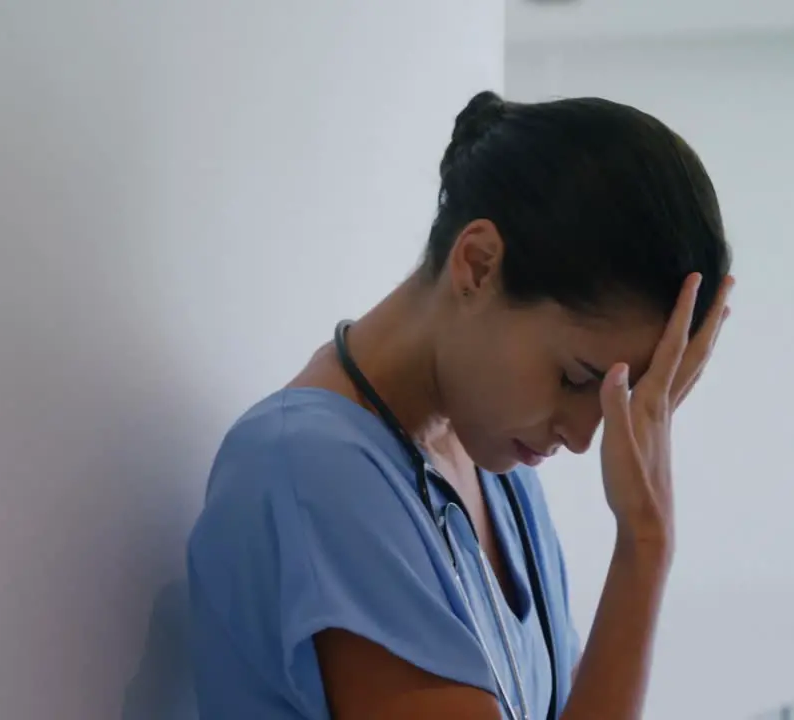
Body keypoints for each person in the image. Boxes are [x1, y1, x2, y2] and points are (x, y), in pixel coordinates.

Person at [126, 90, 733, 719]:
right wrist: (645, 545)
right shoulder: (311, 473)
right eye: (577, 379)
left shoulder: (501, 476)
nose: (583, 438)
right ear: (476, 264)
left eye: (617, 400)